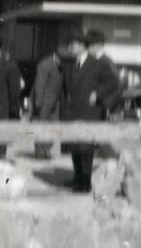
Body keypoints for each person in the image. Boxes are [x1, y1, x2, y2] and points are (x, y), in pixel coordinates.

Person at [62, 28, 119, 193]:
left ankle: (85, 182)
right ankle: (77, 178)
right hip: (73, 112)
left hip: (89, 112)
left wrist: (98, 93)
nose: (70, 47)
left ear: (82, 46)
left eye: (73, 44)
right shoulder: (70, 64)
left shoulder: (97, 63)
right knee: (74, 147)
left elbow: (114, 82)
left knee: (86, 149)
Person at [31, 47, 65, 159]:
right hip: (44, 101)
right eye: (61, 59)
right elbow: (39, 85)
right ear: (55, 55)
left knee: (54, 127)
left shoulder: (61, 66)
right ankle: (40, 152)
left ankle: (47, 149)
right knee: (42, 127)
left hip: (55, 102)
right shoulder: (44, 65)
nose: (63, 62)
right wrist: (38, 103)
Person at [85, 28, 123, 119]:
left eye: (89, 45)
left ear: (98, 45)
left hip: (104, 109)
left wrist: (104, 105)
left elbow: (118, 85)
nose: (87, 48)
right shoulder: (95, 61)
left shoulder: (105, 62)